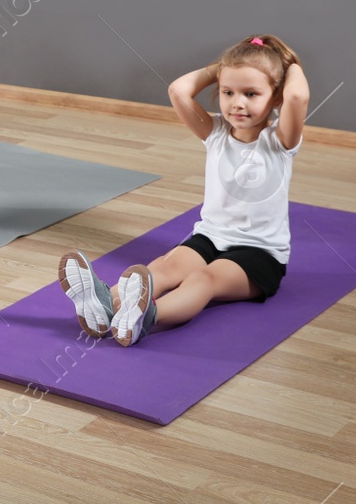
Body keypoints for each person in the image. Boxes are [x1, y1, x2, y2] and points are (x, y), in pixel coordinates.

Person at [58, 35, 308, 346]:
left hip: (260, 253)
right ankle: (104, 306)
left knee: (203, 279)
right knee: (162, 267)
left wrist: (288, 64)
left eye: (251, 93)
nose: (237, 103)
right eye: (228, 92)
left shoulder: (279, 141)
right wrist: (224, 68)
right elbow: (178, 90)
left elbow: (297, 98)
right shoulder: (215, 132)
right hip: (210, 236)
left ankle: (147, 316)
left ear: (275, 99)